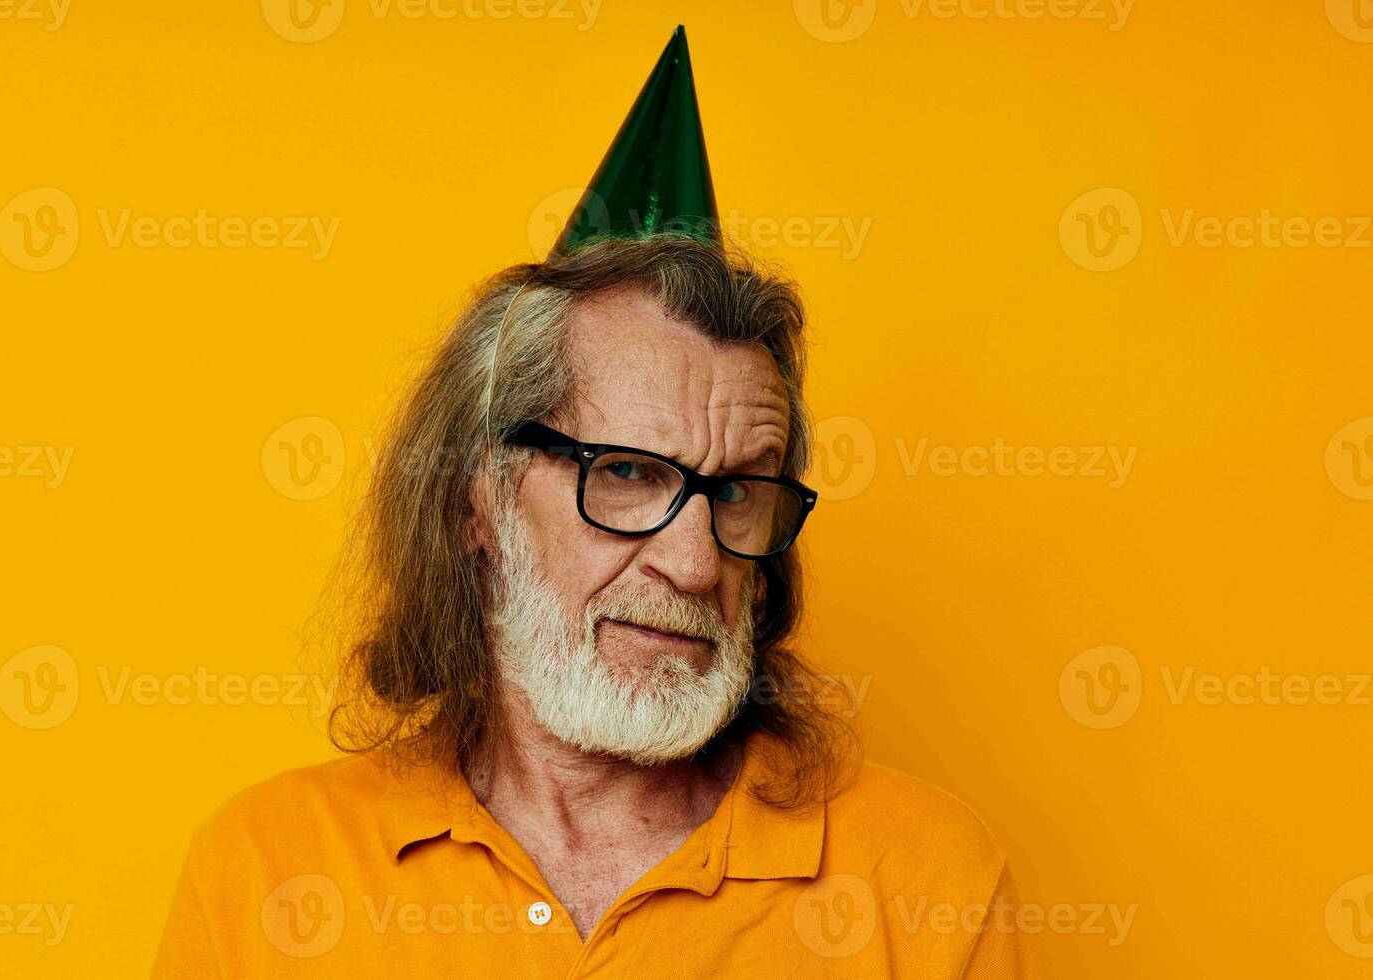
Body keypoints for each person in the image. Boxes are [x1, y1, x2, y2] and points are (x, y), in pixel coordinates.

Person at [152, 27, 1034, 979]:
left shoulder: (930, 879)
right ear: (475, 499)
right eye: (625, 473)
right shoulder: (266, 870)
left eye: (736, 489)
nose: (697, 564)